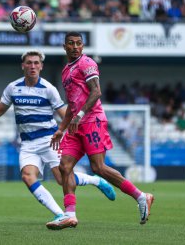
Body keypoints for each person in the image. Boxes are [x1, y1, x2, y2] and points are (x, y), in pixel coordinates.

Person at [0, 50, 116, 227]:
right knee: (28, 177)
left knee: (62, 179)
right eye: (29, 63)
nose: (33, 66)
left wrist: (75, 127)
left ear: (41, 66)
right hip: (28, 143)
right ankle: (60, 214)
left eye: (36, 63)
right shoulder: (13, 88)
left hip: (50, 140)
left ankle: (96, 180)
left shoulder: (48, 89)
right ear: (23, 65)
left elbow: (64, 113)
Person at [48, 32, 154, 230]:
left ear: (83, 46)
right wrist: (61, 129)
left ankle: (141, 197)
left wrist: (79, 116)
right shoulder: (65, 71)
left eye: (78, 43)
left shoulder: (86, 63)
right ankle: (69, 215)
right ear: (64, 47)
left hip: (92, 120)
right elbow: (71, 104)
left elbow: (96, 92)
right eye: (71, 43)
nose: (75, 47)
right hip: (75, 125)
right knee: (64, 167)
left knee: (98, 167)